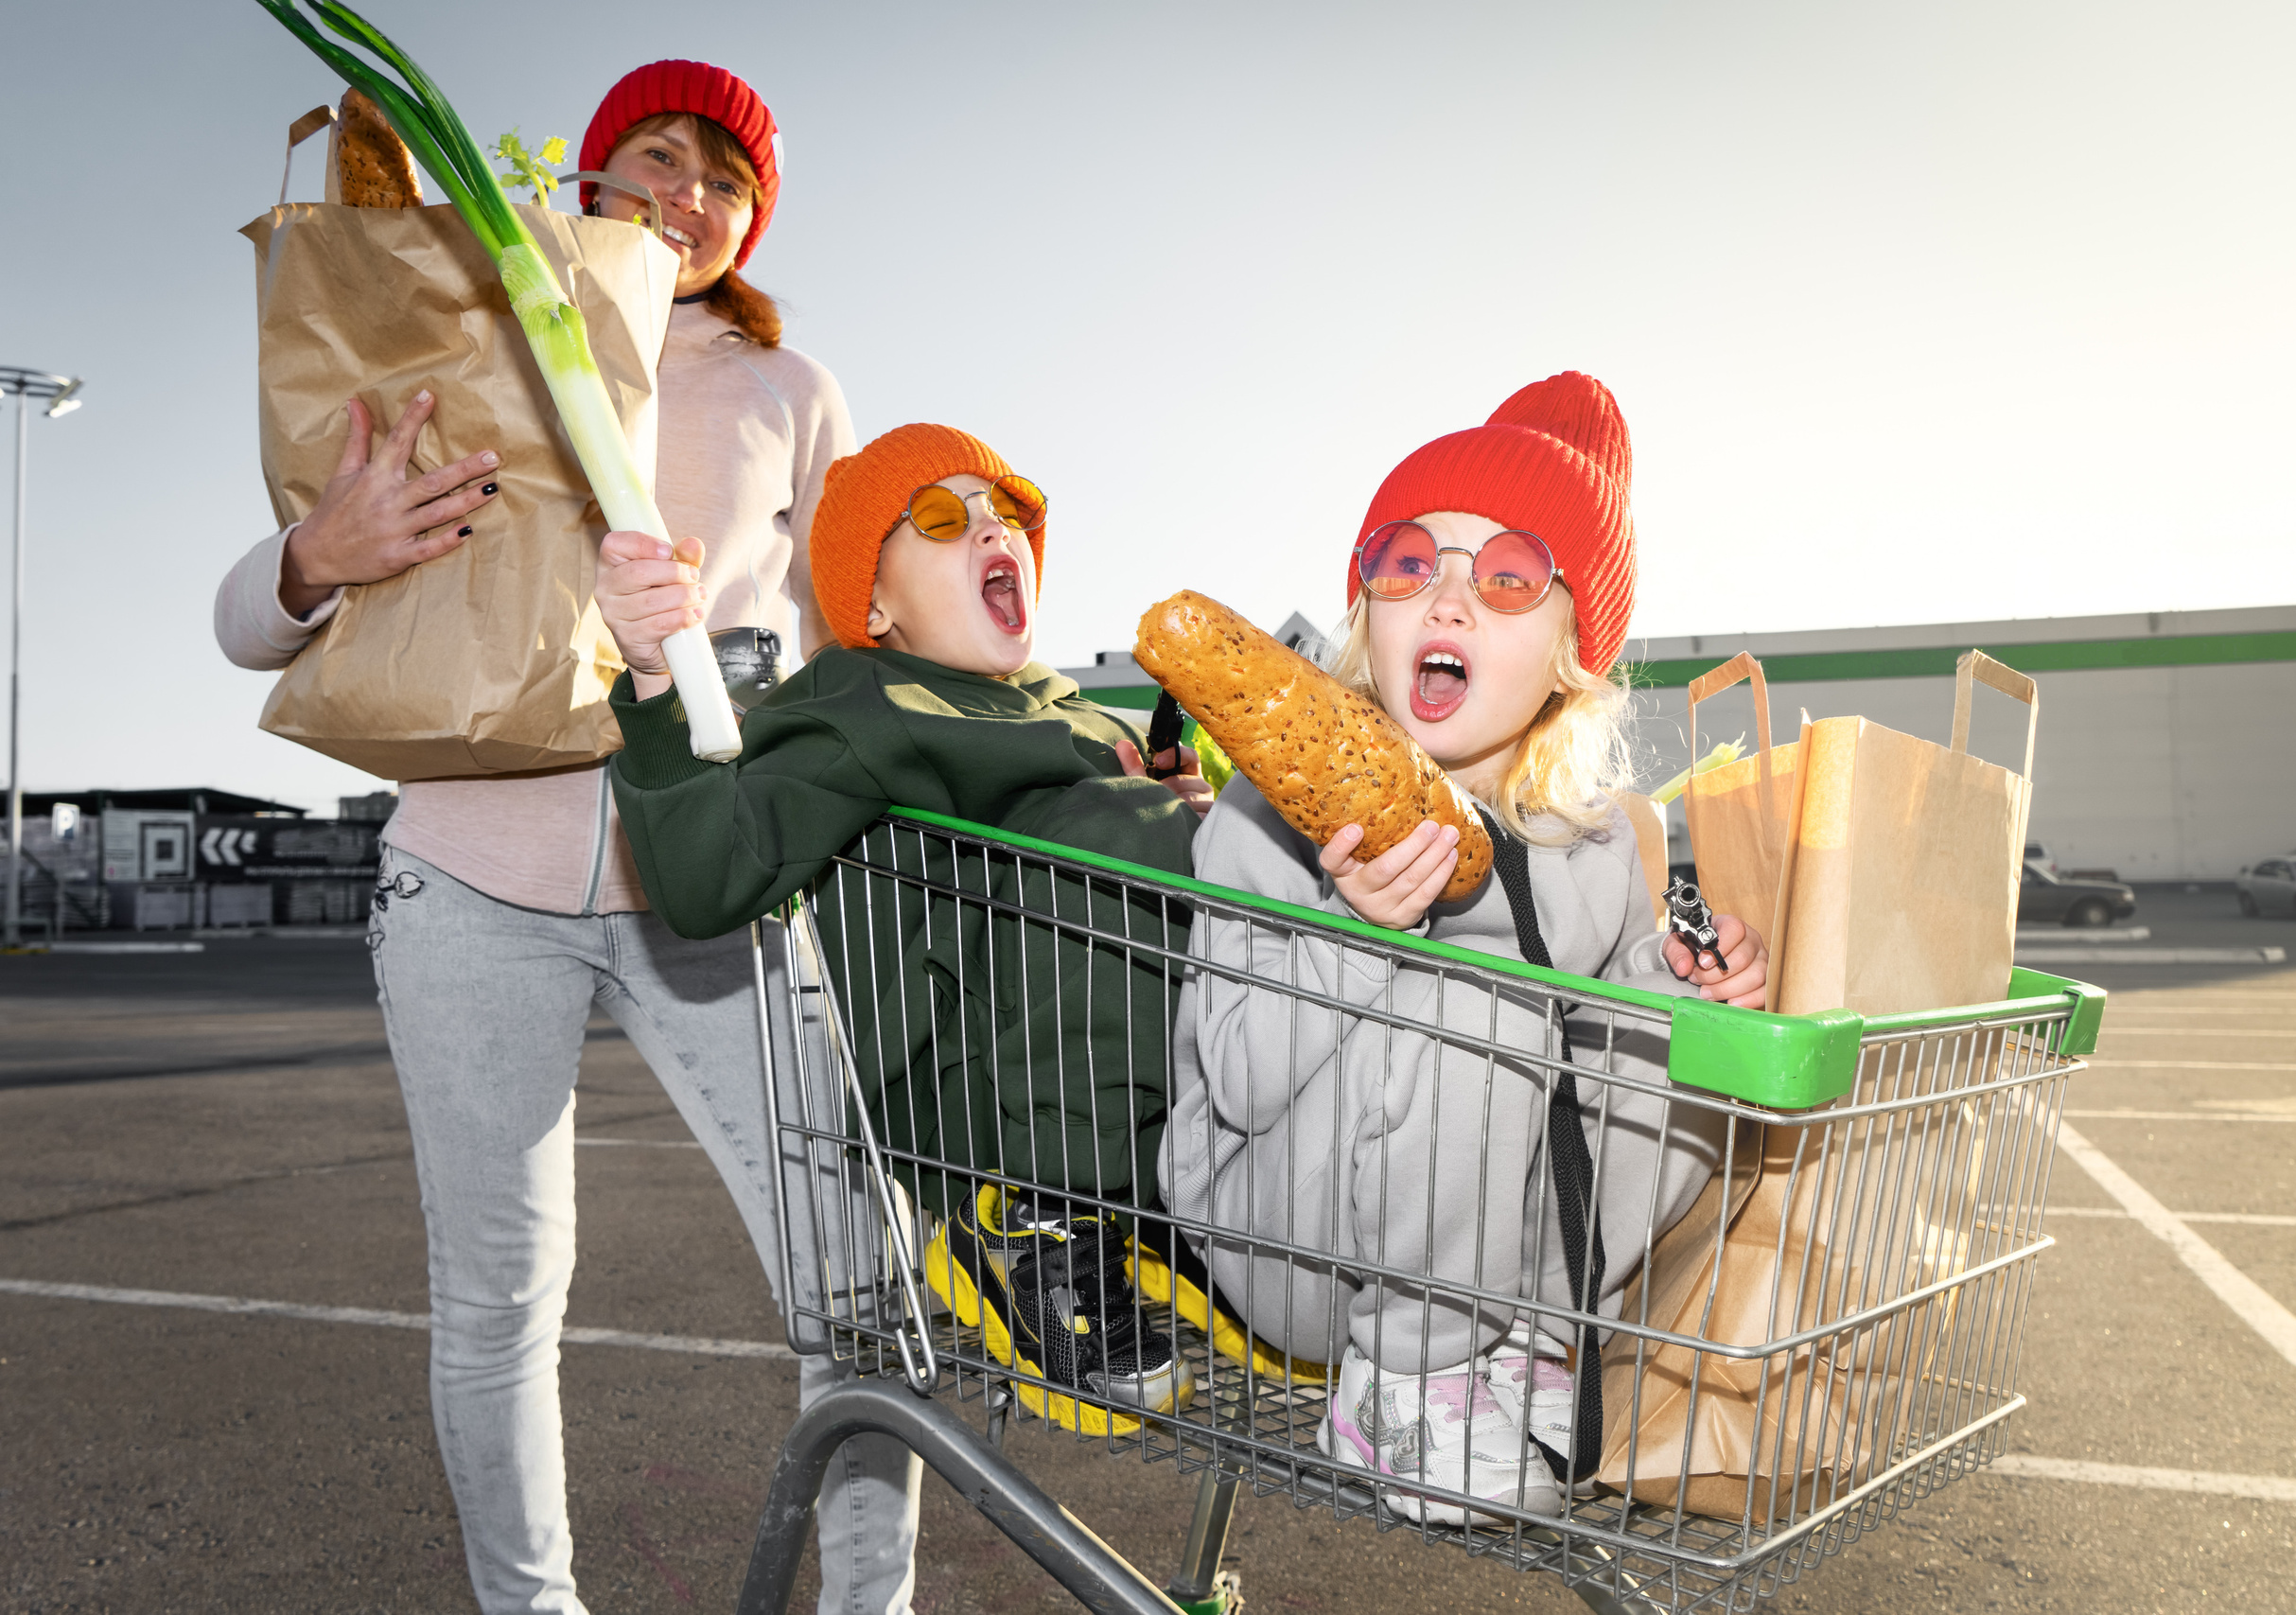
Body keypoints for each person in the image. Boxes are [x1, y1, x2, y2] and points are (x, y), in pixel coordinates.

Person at [213, 61, 912, 1615]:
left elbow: (858, 637)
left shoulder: (790, 392)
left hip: (715, 884)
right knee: (498, 1302)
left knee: (858, 1283)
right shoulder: (464, 321)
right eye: (658, 157)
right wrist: (318, 554)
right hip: (470, 877)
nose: (690, 196)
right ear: (590, 176)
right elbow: (242, 623)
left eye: (727, 181)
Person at [1159, 372, 1770, 1524]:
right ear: (1367, 617)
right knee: (1480, 997)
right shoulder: (1269, 813)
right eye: (1408, 564)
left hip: (1512, 1250)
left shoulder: (1597, 841)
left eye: (1506, 575)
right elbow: (1236, 1083)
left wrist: (1684, 977)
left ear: (1569, 656)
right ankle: (1403, 1383)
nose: (1446, 597)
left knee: (1686, 1034)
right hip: (1293, 1241)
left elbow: (1595, 1057)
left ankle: (1527, 1340)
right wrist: (1355, 931)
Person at [595, 421, 1215, 1435]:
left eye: (1005, 510)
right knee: (1117, 831)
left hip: (1122, 1094)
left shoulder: (1081, 715)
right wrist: (658, 687)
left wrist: (1184, 823)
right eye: (939, 517)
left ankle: (1158, 1212)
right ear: (874, 606)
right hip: (970, 1100)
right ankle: (1035, 1222)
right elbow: (708, 879)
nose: (991, 528)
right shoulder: (858, 707)